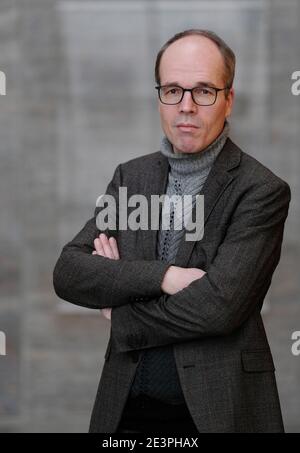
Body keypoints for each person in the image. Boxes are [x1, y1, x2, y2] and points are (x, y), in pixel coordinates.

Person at [53, 29, 291, 433]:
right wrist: (166, 277)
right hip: (126, 407)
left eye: (203, 91)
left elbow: (218, 308)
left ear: (228, 100)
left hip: (218, 410)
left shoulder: (261, 190)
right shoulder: (132, 177)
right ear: (158, 96)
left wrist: (120, 306)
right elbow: (69, 272)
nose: (186, 106)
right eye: (173, 90)